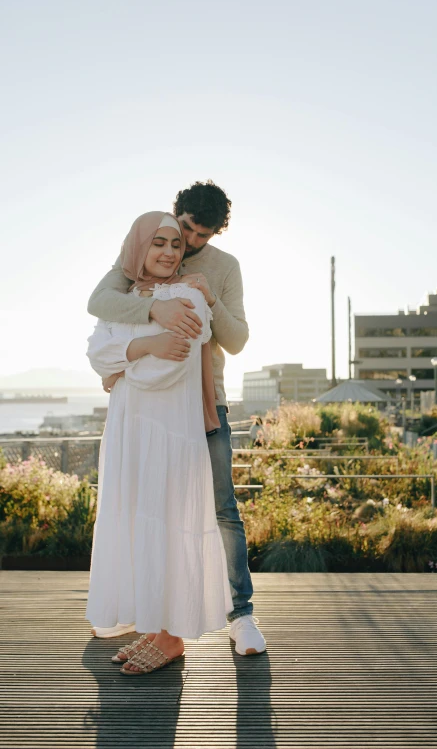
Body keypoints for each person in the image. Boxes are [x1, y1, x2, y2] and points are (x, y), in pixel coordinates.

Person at [87, 181, 266, 656]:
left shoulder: (223, 268)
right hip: (148, 405)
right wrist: (153, 313)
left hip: (206, 399)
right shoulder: (151, 247)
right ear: (175, 215)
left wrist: (211, 299)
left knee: (221, 508)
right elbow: (100, 304)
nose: (187, 243)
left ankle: (240, 614)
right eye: (185, 229)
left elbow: (238, 339)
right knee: (147, 506)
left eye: (201, 237)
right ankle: (143, 608)